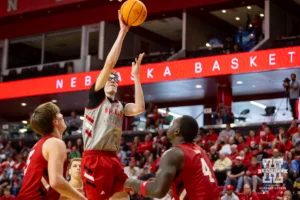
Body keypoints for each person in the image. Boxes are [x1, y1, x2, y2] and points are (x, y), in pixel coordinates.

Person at [80, 11, 145, 200]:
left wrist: (137, 77)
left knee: (123, 197)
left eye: (115, 79)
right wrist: (122, 32)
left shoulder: (119, 105)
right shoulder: (95, 97)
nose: (112, 80)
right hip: (95, 158)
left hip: (113, 158)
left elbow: (139, 107)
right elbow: (109, 63)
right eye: (109, 78)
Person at [124, 115, 219, 200]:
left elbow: (158, 191)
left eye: (172, 124)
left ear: (177, 131)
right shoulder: (200, 150)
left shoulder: (174, 153)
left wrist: (130, 182)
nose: (169, 126)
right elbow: (192, 182)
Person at [16, 102, 86, 200]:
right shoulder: (55, 143)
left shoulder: (40, 144)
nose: (62, 115)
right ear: (55, 121)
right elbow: (56, 182)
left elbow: (44, 187)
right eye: (59, 113)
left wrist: (67, 195)